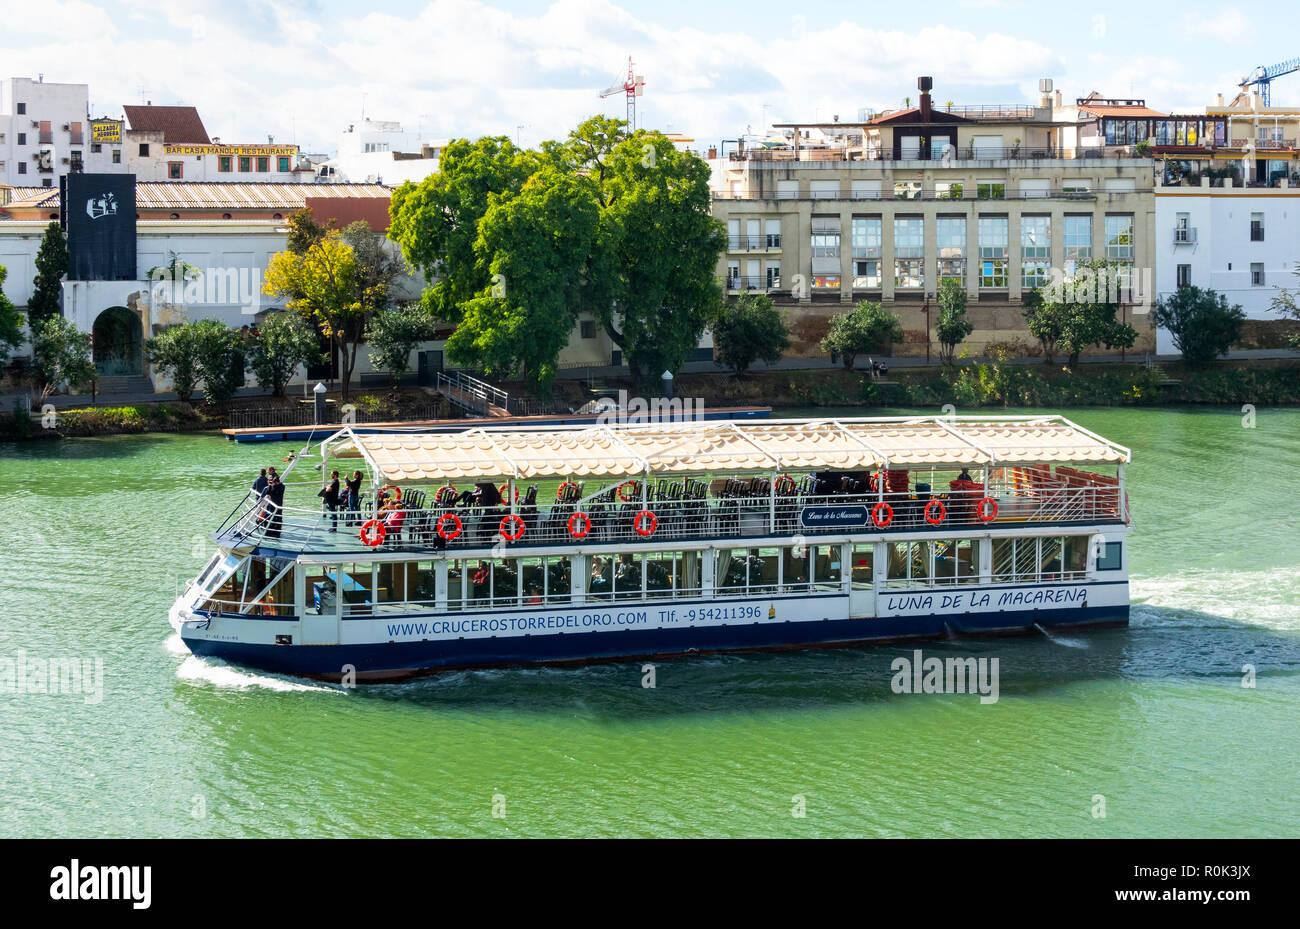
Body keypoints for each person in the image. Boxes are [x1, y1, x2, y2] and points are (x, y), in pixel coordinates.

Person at [265, 474, 286, 539]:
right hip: (274, 505)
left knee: (277, 518)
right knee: (271, 517)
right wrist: (270, 486)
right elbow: (267, 492)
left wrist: (271, 486)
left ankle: (275, 532)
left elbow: (271, 492)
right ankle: (272, 531)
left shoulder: (280, 487)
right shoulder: (280, 486)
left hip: (276, 505)